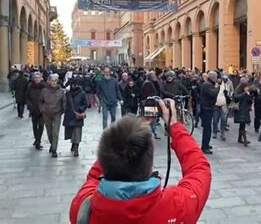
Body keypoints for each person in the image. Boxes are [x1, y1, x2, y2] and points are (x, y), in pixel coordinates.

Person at [69, 99, 211, 224]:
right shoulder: (176, 206)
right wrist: (175, 126)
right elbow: (199, 168)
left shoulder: (83, 207)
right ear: (149, 162)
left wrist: (127, 133)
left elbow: (93, 178)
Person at [40, 74, 66, 158]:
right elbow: (40, 101)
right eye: (52, 81)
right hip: (46, 113)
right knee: (49, 131)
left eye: (55, 81)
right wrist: (42, 109)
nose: (54, 82)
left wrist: (62, 111)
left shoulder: (61, 91)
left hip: (57, 113)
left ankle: (54, 149)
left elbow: (64, 102)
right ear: (49, 81)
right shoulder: (44, 91)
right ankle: (52, 144)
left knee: (55, 132)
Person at [63, 78, 88, 157]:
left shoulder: (82, 93)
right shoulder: (68, 93)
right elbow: (64, 102)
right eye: (73, 84)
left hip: (77, 115)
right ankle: (73, 144)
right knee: (70, 131)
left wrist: (80, 109)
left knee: (77, 132)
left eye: (76, 84)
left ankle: (76, 147)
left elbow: (85, 103)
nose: (74, 86)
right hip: (69, 114)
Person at [199, 71, 219, 154]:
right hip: (207, 108)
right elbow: (213, 94)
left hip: (208, 108)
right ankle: (205, 146)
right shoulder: (207, 85)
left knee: (208, 128)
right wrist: (217, 87)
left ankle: (206, 144)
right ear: (213, 77)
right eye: (216, 77)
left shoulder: (208, 84)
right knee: (207, 128)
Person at [26, 72, 46, 150]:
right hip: (33, 109)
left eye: (38, 77)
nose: (37, 79)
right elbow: (27, 97)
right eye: (35, 77)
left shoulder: (44, 87)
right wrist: (29, 106)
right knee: (35, 126)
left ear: (41, 78)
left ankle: (38, 140)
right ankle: (37, 140)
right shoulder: (30, 86)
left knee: (41, 126)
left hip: (42, 110)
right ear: (33, 78)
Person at [233, 79, 255, 146]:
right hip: (239, 109)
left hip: (245, 109)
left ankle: (240, 138)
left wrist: (251, 96)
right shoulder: (237, 90)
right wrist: (245, 93)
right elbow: (236, 98)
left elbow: (249, 101)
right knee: (242, 124)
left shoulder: (247, 92)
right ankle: (245, 140)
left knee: (242, 125)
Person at [212, 75, 232, 141]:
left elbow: (231, 92)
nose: (218, 80)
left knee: (223, 120)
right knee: (215, 120)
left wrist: (230, 96)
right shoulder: (215, 85)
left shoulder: (227, 85)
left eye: (219, 79)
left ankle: (222, 133)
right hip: (216, 105)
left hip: (224, 105)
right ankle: (214, 132)